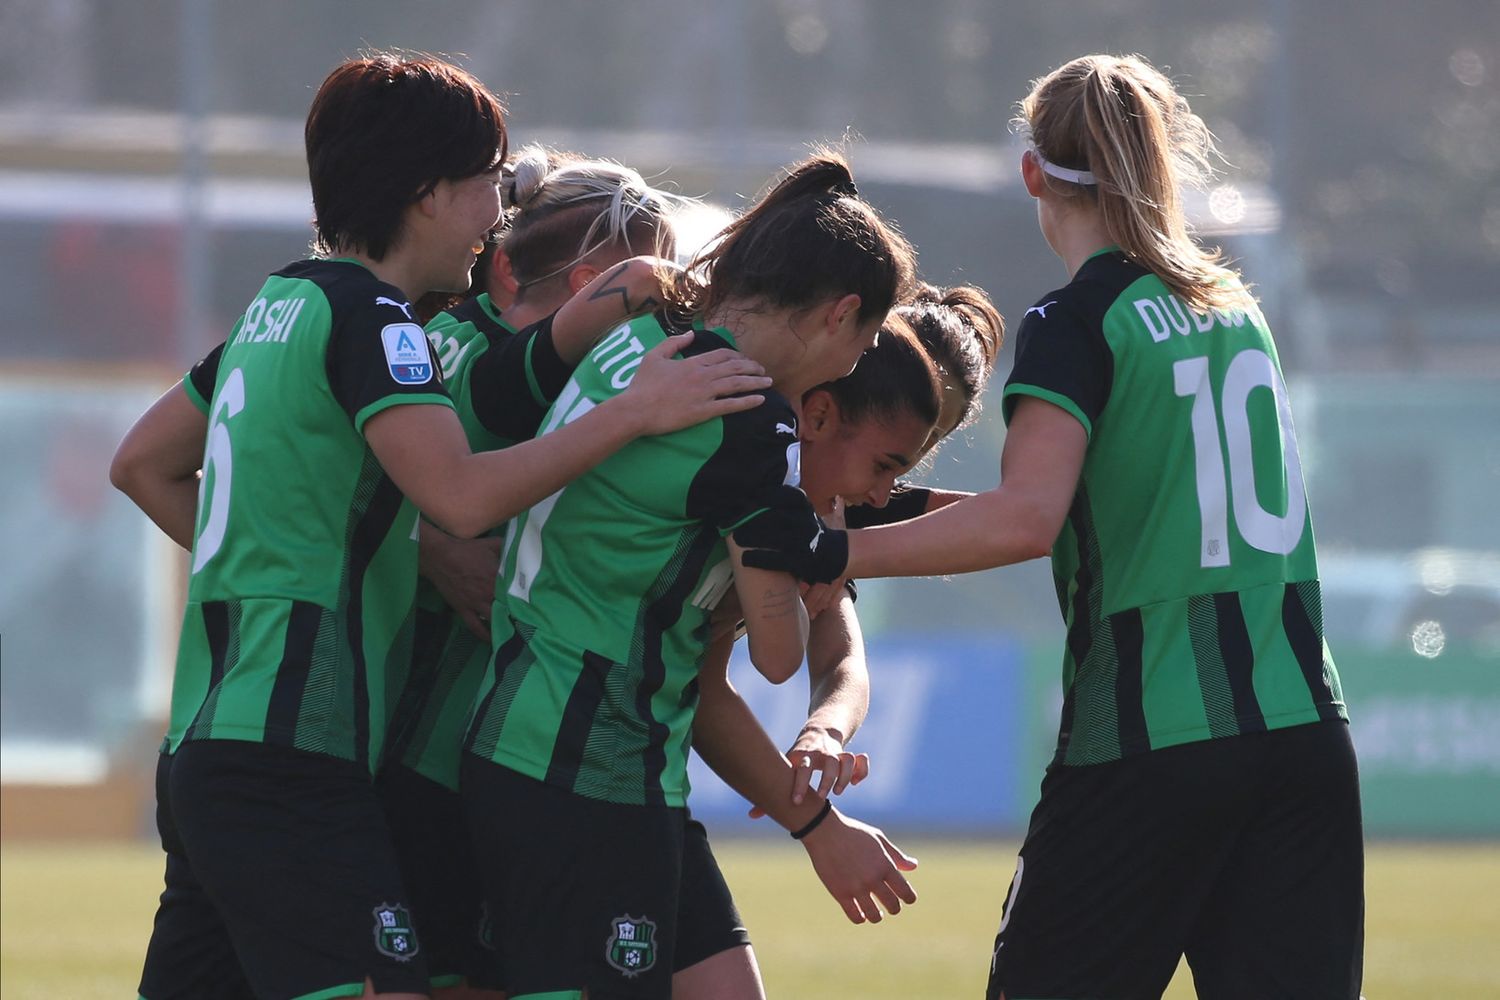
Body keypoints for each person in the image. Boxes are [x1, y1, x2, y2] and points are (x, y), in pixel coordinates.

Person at [110, 52, 770, 1000]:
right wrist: (631, 413)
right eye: (487, 183)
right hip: (297, 746)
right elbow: (459, 497)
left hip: (208, 736)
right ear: (427, 193)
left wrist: (330, 559)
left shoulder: (279, 303)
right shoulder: (378, 323)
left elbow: (141, 463)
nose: (497, 214)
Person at [737, 54, 1363, 1000]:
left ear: (1033, 173)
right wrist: (873, 519)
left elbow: (1027, 519)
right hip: (1306, 732)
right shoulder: (1237, 311)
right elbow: (1097, 513)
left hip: (1148, 738)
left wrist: (832, 547)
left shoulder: (1078, 320)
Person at [460, 151, 916, 1000]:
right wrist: (811, 557)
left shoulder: (646, 330)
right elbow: (779, 656)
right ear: (841, 315)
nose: (854, 367)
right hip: (587, 760)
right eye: (863, 344)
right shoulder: (745, 414)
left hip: (532, 733)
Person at [381, 143, 686, 998]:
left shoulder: (443, 336)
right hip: (441, 748)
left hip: (467, 744)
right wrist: (433, 548)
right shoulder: (494, 363)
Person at [677, 286, 1004, 1000]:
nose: (890, 491)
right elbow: (715, 680)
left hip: (635, 775)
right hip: (576, 764)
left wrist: (823, 731)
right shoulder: (757, 468)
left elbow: (842, 659)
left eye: (927, 447)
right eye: (893, 458)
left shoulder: (833, 499)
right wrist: (816, 824)